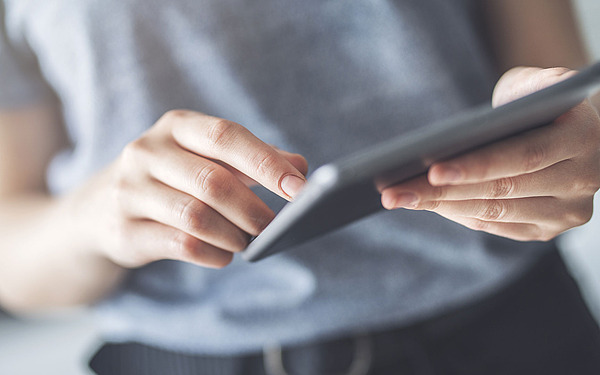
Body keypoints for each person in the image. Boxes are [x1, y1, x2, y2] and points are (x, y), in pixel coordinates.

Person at [1, 0, 600, 374]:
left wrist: (567, 140)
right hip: (194, 356)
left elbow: (563, 86)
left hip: (515, 329)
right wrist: (91, 218)